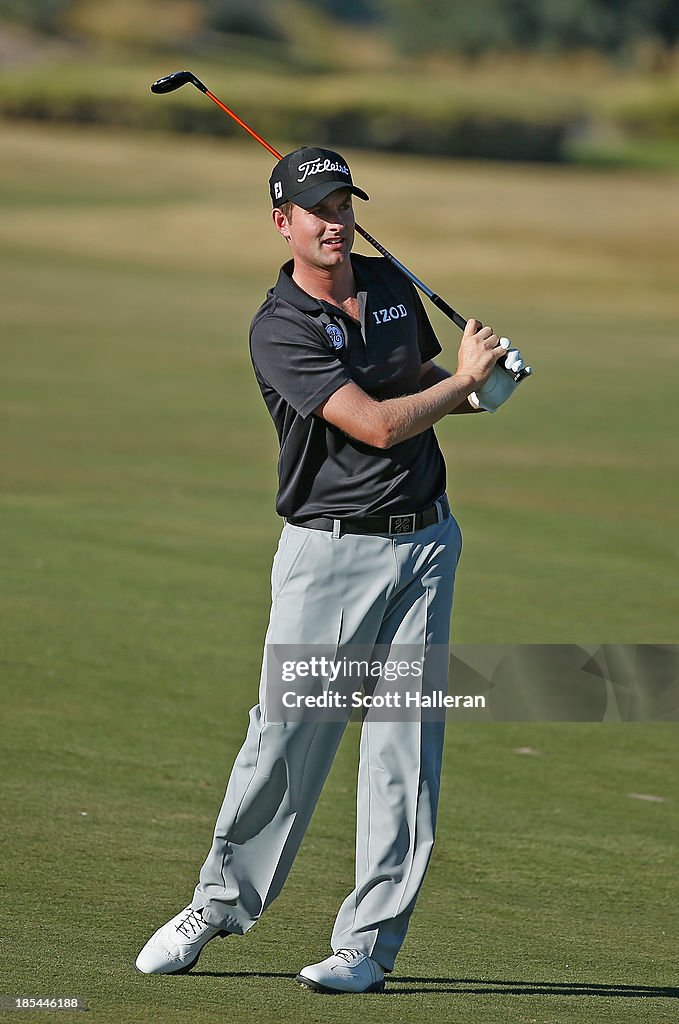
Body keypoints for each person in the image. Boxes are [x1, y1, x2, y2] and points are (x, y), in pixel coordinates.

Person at [135, 146, 528, 993]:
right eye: (317, 208)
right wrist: (456, 384)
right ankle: (219, 902)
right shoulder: (277, 327)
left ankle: (366, 946)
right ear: (283, 222)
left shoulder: (388, 286)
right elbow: (381, 426)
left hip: (425, 545)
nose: (335, 220)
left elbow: (417, 386)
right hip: (330, 552)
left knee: (403, 755)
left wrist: (480, 387)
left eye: (345, 203)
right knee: (283, 736)